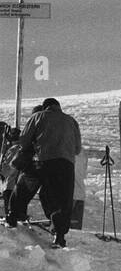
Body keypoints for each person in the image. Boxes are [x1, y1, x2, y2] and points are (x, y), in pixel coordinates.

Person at [8, 98, 81, 245]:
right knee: (60, 200)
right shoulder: (72, 121)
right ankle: (59, 236)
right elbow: (77, 149)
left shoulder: (38, 116)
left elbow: (24, 141)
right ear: (58, 107)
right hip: (66, 166)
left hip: (42, 161)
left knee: (24, 187)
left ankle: (13, 217)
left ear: (45, 107)